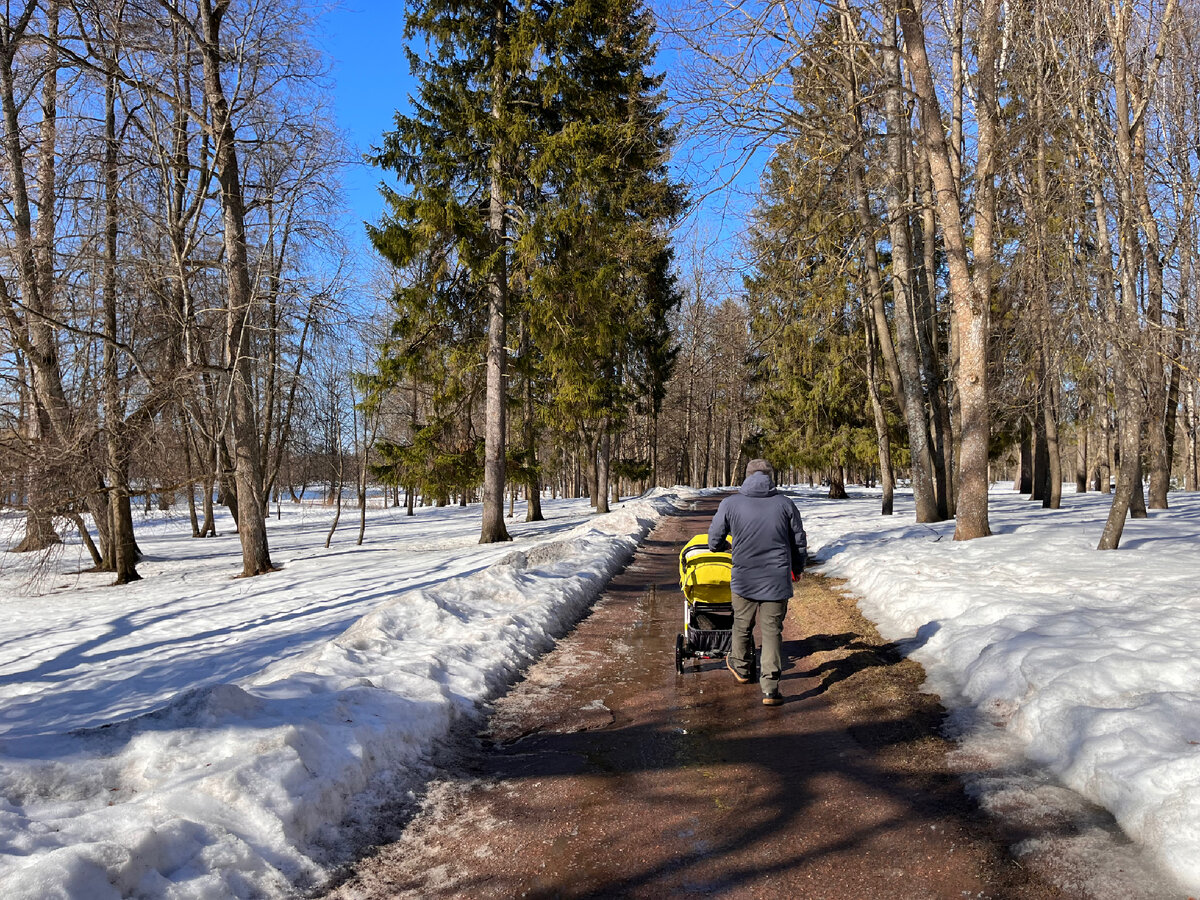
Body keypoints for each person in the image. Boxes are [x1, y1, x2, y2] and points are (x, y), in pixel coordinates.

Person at [708, 459, 807, 706]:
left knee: (742, 624)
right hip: (776, 580)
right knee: (772, 631)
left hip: (744, 579)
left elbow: (714, 540)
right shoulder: (785, 504)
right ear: (770, 476)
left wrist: (722, 546)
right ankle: (771, 689)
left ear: (747, 476)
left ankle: (741, 669)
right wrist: (797, 568)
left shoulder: (731, 503)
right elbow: (798, 542)